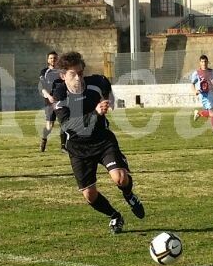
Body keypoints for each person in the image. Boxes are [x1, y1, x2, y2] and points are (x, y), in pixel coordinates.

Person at [48, 50, 145, 234]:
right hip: (78, 148)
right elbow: (68, 124)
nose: (78, 78)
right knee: (90, 195)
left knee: (120, 178)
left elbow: (105, 84)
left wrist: (109, 100)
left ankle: (129, 195)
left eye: (80, 73)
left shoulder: (95, 83)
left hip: (102, 140)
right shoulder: (60, 93)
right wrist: (96, 112)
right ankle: (115, 215)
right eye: (72, 74)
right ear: (63, 76)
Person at [189, 54, 213, 139]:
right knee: (212, 113)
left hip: (211, 93)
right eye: (202, 61)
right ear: (200, 62)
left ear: (208, 62)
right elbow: (192, 84)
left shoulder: (212, 71)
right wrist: (194, 91)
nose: (204, 63)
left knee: (212, 114)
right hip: (204, 95)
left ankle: (198, 113)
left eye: (205, 61)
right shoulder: (196, 73)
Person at [37, 50, 62, 153]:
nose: (53, 60)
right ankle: (44, 140)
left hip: (62, 101)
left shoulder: (62, 71)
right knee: (50, 125)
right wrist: (49, 96)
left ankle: (64, 146)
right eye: (51, 58)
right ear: (48, 60)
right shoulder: (44, 72)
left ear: (58, 59)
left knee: (65, 123)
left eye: (55, 58)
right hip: (49, 101)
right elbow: (42, 87)